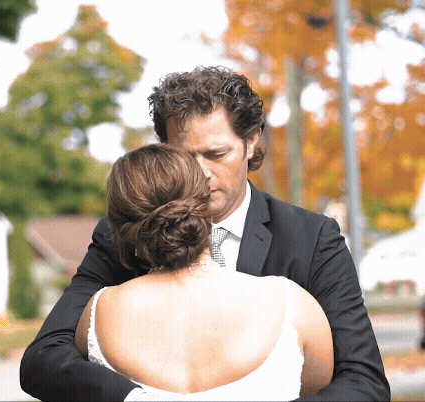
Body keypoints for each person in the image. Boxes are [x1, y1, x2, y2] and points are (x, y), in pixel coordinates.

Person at [20, 66, 389, 401]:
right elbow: (43, 359)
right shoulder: (123, 235)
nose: (199, 174)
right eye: (184, 157)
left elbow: (364, 382)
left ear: (252, 142)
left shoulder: (312, 238)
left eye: (215, 154)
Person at [75, 143, 334, 400]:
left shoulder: (98, 313)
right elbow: (315, 385)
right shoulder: (292, 304)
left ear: (119, 227)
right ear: (204, 204)